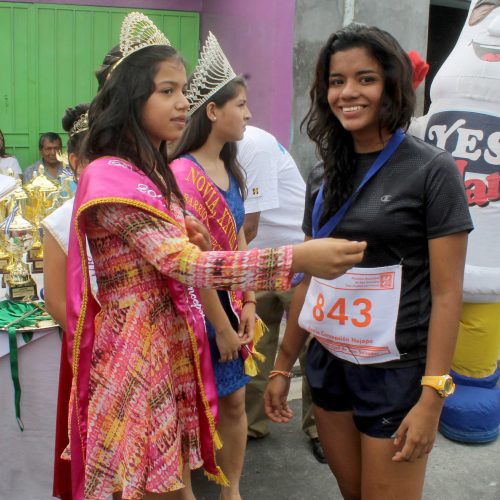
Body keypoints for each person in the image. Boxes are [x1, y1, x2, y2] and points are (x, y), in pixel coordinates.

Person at [67, 13, 366, 500]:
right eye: (167, 91)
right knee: (156, 484)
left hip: (172, 339)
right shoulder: (113, 177)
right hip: (140, 351)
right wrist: (296, 259)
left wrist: (203, 249)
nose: (183, 102)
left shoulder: (149, 172)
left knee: (174, 482)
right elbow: (186, 265)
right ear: (132, 98)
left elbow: (195, 251)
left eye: (184, 90)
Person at [265, 23, 473, 500]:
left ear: (392, 84)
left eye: (366, 78)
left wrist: (433, 396)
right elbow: (309, 278)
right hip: (329, 363)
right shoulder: (322, 173)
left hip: (397, 373)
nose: (348, 93)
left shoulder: (431, 170)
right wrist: (282, 365)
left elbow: (447, 293)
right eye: (336, 81)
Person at [170, 33, 262, 499]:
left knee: (235, 402)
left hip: (232, 306)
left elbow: (240, 239)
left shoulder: (232, 168)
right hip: (196, 311)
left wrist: (249, 302)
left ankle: (232, 489)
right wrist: (221, 325)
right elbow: (192, 262)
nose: (248, 114)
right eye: (240, 105)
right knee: (189, 408)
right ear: (212, 111)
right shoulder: (182, 175)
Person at [237, 125, 325, 462]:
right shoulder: (205, 151)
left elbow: (249, 226)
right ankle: (251, 424)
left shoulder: (252, 144)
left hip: (293, 255)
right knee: (255, 346)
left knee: (310, 345)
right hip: (255, 260)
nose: (246, 114)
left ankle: (319, 429)